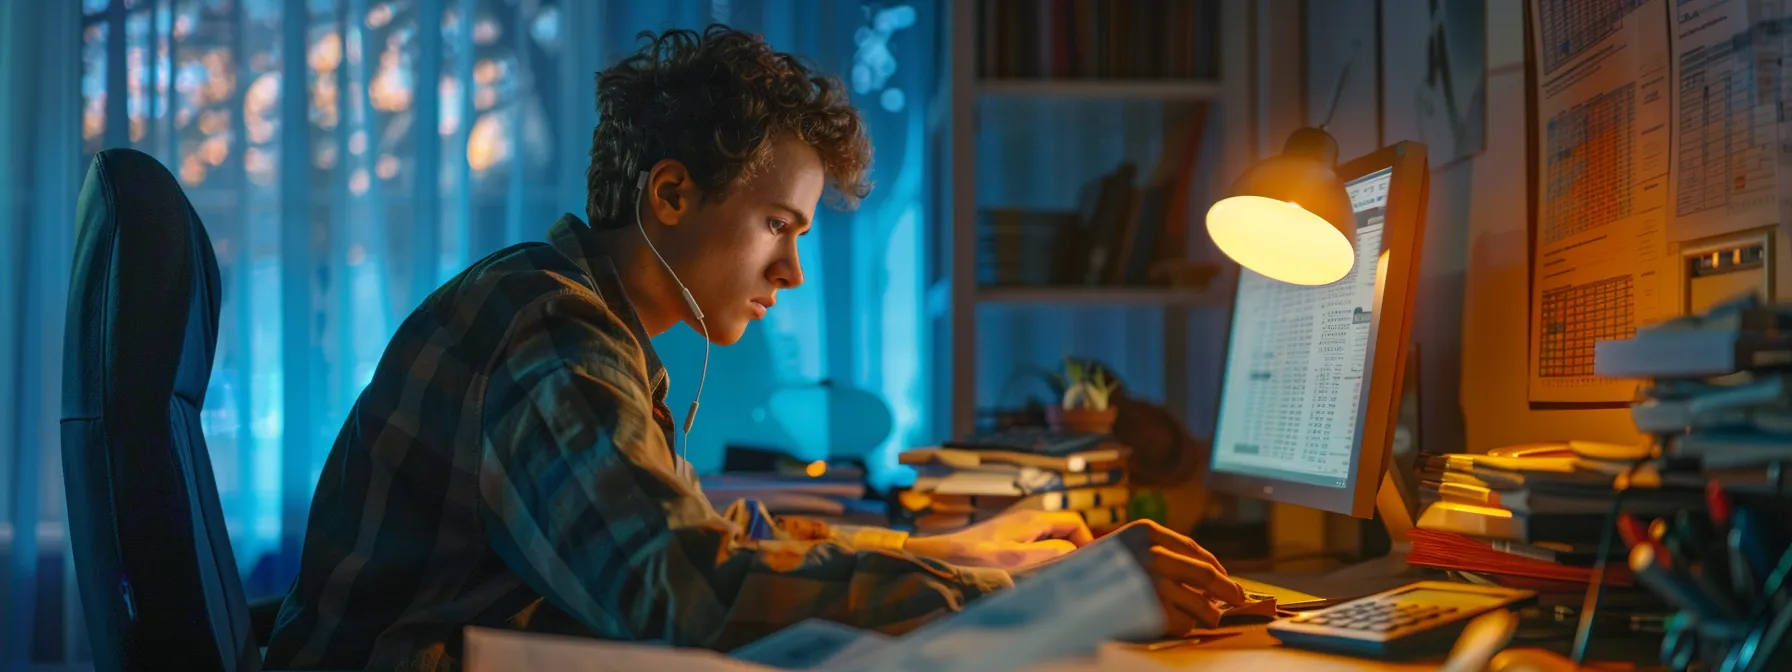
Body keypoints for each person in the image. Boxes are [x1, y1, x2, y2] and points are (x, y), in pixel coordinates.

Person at [263, 24, 1243, 671]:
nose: (793, 272)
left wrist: (937, 550)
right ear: (671, 194)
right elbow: (678, 592)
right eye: (779, 224)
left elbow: (703, 547)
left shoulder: (567, 312)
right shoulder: (553, 337)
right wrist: (1017, 584)